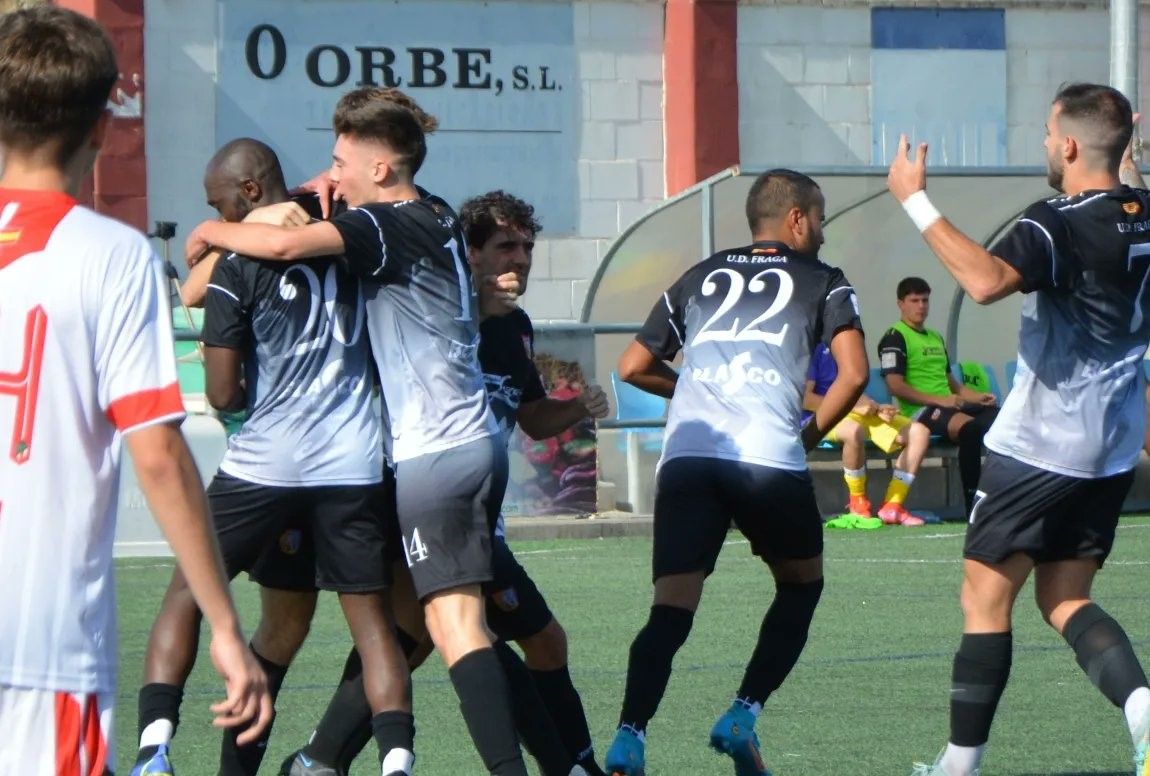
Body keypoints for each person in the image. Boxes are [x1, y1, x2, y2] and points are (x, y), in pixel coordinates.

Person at [185, 86, 530, 776]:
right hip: (467, 444)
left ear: (379, 169)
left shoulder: (383, 227)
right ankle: (321, 760)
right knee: (415, 623)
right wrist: (321, 185)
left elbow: (276, 248)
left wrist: (209, 233)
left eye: (341, 160)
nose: (330, 173)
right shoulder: (428, 209)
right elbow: (212, 283)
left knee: (455, 627)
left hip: (434, 453)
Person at [0, 8, 271, 775]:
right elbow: (156, 449)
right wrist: (221, 622)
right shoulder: (110, 255)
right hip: (37, 636)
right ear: (100, 124)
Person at [131, 138, 415, 776]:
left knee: (187, 592)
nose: (217, 214)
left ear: (251, 191)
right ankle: (397, 757)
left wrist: (220, 240)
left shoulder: (242, 262)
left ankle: (154, 748)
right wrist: (217, 228)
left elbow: (223, 391)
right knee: (369, 622)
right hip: (351, 466)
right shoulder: (356, 241)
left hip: (264, 465)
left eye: (220, 201)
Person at [889, 83, 1150, 776]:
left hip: (1040, 444)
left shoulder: (1056, 220)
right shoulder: (1144, 213)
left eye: (1046, 134)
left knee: (984, 595)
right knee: (1065, 596)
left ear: (1068, 144)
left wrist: (913, 198)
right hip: (1113, 446)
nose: (1043, 145)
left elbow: (985, 281)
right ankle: (1144, 714)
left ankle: (959, 764)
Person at [604, 169, 868, 775]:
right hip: (765, 456)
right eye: (820, 218)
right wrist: (808, 435)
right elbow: (852, 375)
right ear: (797, 219)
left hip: (690, 455)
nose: (822, 232)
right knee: (801, 586)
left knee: (671, 607)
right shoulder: (823, 279)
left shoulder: (701, 274)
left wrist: (698, 388)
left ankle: (629, 738)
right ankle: (742, 714)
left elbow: (632, 364)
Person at [877, 276, 999, 519]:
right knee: (971, 430)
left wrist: (978, 398)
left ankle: (1001, 496)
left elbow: (953, 385)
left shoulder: (935, 337)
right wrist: (938, 400)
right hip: (920, 413)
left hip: (947, 406)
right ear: (901, 304)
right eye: (914, 300)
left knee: (1001, 420)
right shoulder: (894, 337)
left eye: (925, 300)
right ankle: (972, 502)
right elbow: (895, 386)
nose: (921, 306)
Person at [803, 341, 931, 526]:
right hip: (820, 417)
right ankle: (858, 505)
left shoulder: (847, 345)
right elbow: (805, 399)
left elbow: (852, 389)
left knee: (919, 432)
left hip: (852, 412)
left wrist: (877, 408)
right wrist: (853, 407)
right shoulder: (811, 347)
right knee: (853, 431)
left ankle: (892, 507)